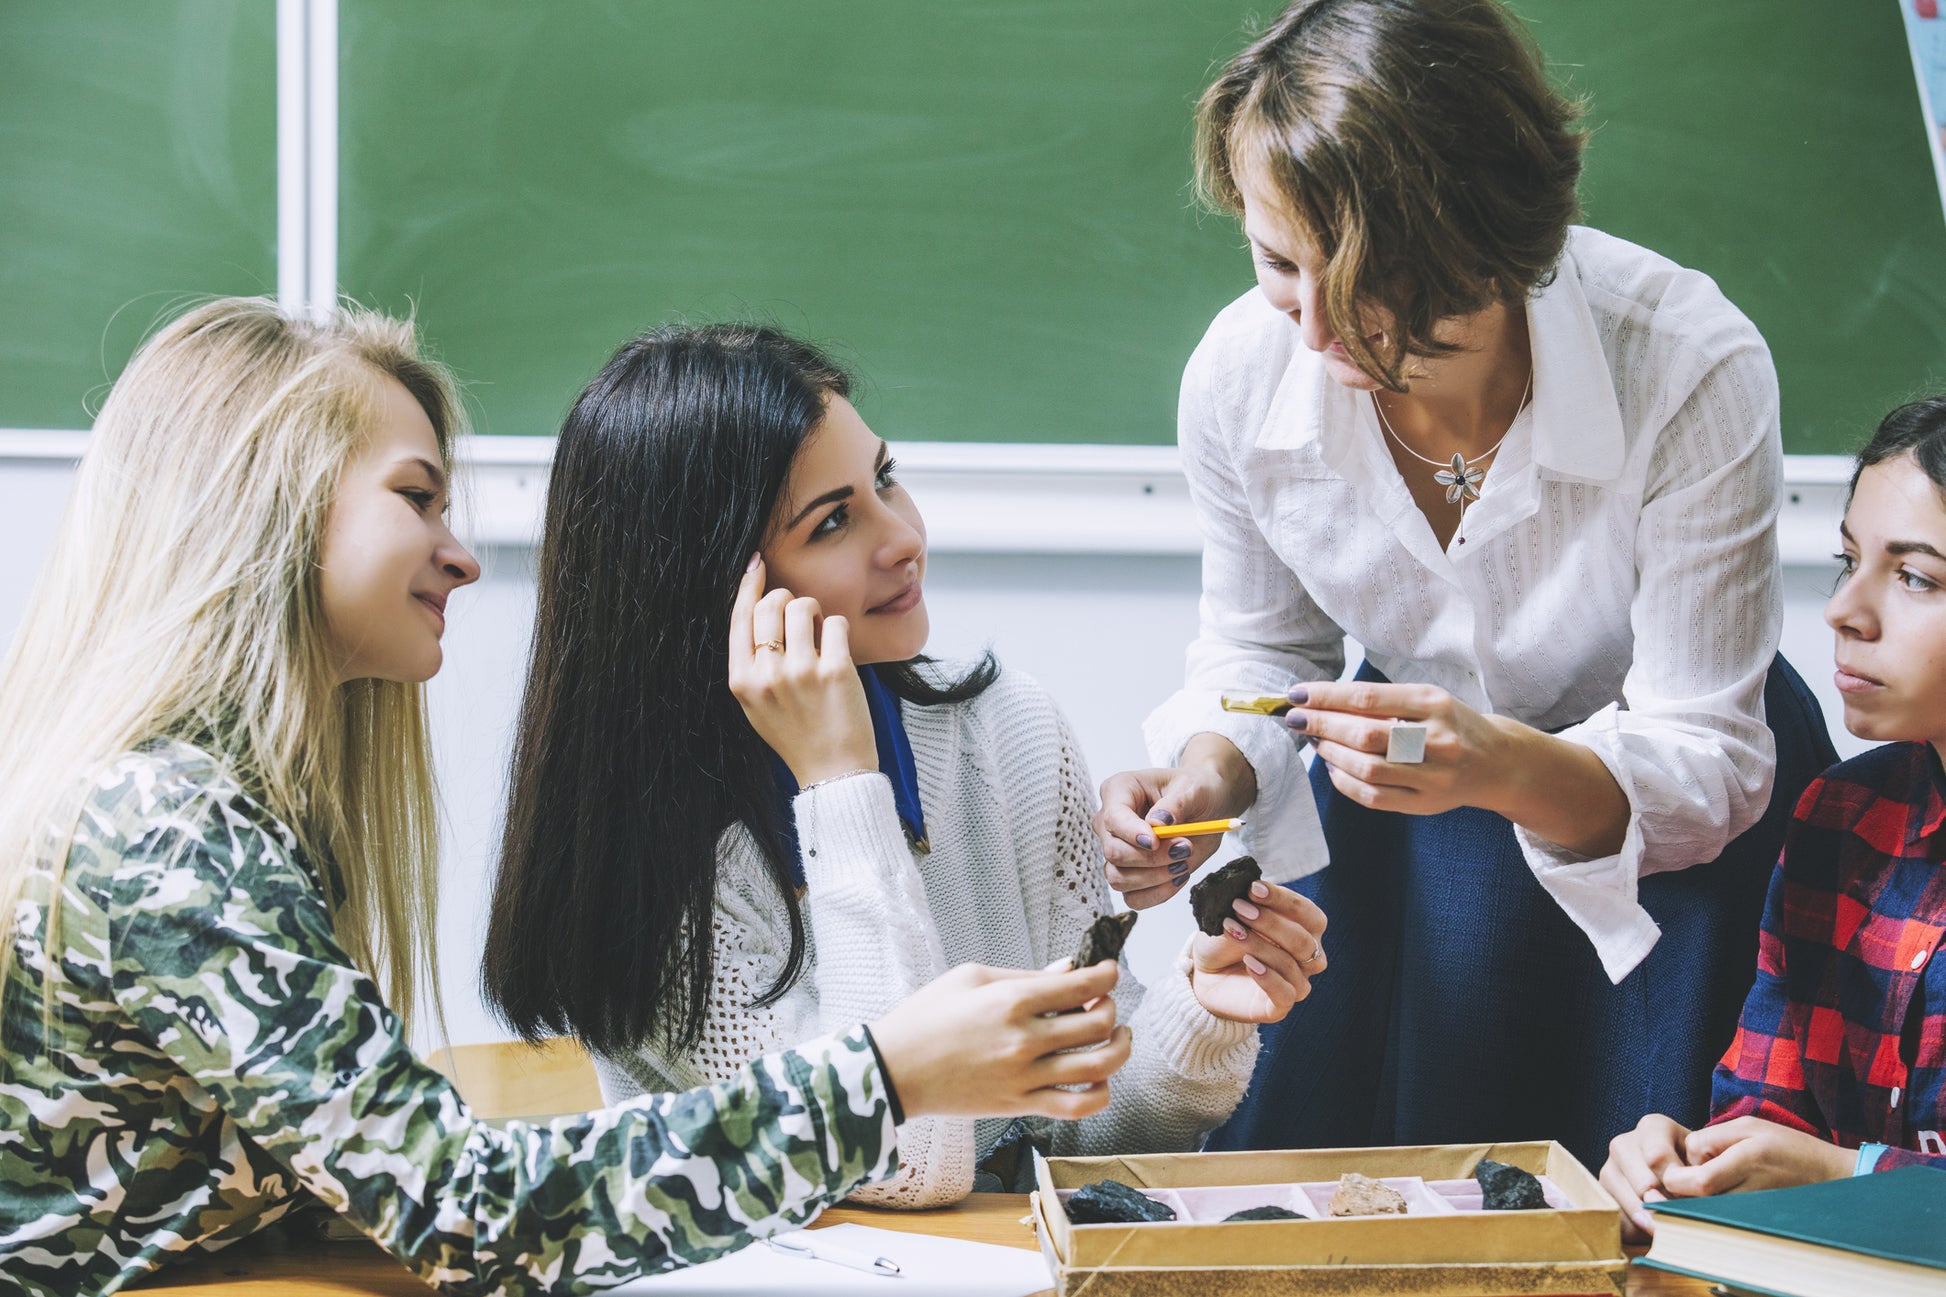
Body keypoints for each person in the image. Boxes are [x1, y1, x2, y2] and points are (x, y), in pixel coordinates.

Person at [0, 299, 1137, 1297]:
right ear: (266, 509)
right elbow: (471, 1213)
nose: (462, 559)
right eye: (416, 499)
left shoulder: (218, 806)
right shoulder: (163, 832)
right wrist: (888, 1071)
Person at [1093, 0, 1837, 1169]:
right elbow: (1258, 656)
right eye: (1279, 262)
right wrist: (1206, 773)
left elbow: (1709, 754)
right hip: (1406, 825)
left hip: (1668, 836)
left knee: (1654, 1214)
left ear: (1488, 236)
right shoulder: (1241, 374)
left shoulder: (1687, 360)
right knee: (1376, 1200)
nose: (1317, 330)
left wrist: (1493, 765)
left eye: (1369, 279)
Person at [482, 323, 1329, 1208]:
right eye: (835, 521)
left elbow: (1083, 1124)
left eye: (884, 478)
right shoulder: (646, 866)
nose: (902, 538)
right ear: (714, 589)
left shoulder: (1012, 732)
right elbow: (902, 1162)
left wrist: (1203, 1007)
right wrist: (841, 783)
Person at [1601, 398, 1946, 1240]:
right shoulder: (1842, 816)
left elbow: (1818, 1166)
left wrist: (1845, 1176)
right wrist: (1693, 1160)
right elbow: (1769, 1110)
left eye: (1916, 577)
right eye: (1849, 561)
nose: (1842, 610)